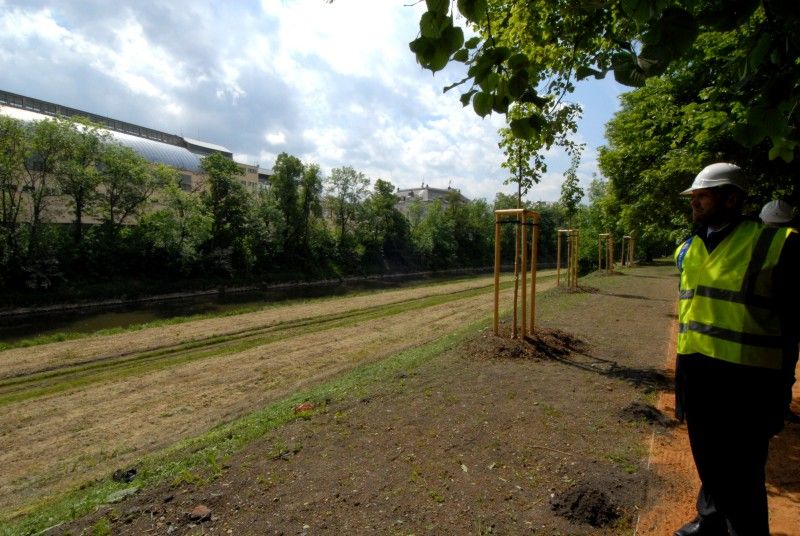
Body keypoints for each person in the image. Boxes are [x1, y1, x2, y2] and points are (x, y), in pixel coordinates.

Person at [673, 162, 800, 536]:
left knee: (742, 470)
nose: (695, 203)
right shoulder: (688, 248)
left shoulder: (779, 245)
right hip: (696, 374)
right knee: (708, 459)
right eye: (693, 197)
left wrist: (782, 386)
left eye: (703, 196)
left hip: (748, 380)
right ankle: (709, 520)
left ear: (732, 199)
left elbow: (793, 325)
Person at [759, 199, 800, 423]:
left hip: (761, 313)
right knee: (786, 364)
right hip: (790, 317)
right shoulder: (796, 241)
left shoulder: (755, 242)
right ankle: (780, 407)